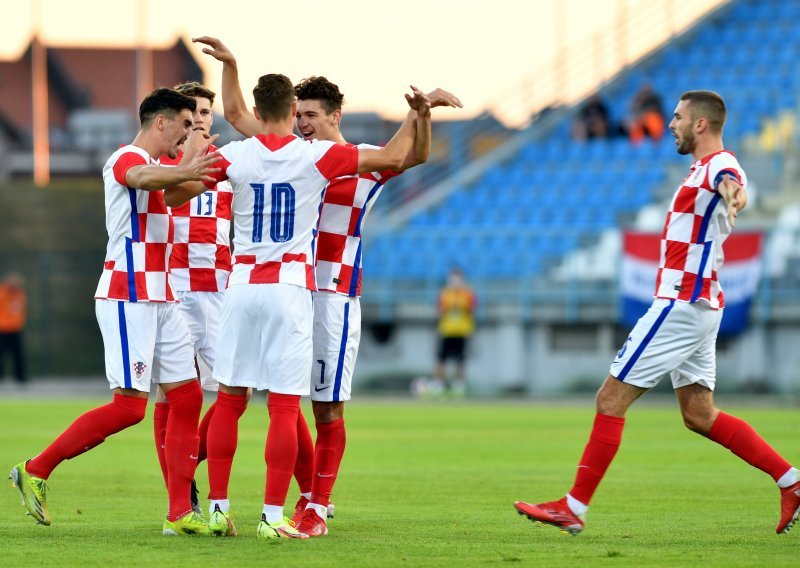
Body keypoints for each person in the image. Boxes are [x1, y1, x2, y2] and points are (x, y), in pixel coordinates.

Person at [193, 35, 462, 538]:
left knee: (323, 405)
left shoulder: (354, 159)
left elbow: (411, 157)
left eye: (313, 115)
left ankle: (315, 502)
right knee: (285, 401)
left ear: (335, 115)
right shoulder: (300, 154)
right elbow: (239, 114)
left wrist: (420, 116)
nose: (303, 123)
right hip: (291, 291)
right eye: (300, 114)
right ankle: (303, 501)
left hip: (331, 294)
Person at [514, 90, 800, 536]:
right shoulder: (700, 170)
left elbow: (732, 183)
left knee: (609, 400)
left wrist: (734, 195)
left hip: (682, 304)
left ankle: (573, 508)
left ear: (700, 125)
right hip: (702, 304)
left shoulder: (719, 167)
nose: (671, 124)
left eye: (678, 117)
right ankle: (792, 482)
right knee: (699, 415)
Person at [9, 88, 221, 536]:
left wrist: (205, 161)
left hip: (160, 297)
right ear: (160, 122)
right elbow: (143, 178)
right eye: (184, 124)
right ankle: (35, 469)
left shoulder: (165, 168)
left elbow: (189, 186)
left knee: (187, 397)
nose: (187, 133)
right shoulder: (124, 158)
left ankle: (180, 513)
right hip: (128, 295)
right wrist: (189, 163)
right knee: (130, 409)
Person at [151, 81, 235, 522]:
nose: (201, 118)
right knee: (174, 400)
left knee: (231, 392)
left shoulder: (224, 164)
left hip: (219, 291)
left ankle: (186, 469)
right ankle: (181, 500)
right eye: (193, 112)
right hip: (175, 290)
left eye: (206, 111)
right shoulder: (162, 164)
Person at [433, 267, 476, 397]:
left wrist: (461, 305)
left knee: (460, 360)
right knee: (441, 359)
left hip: (462, 331)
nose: (456, 281)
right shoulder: (444, 293)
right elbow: (440, 309)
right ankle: (438, 385)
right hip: (446, 330)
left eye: (458, 279)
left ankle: (459, 386)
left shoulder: (468, 293)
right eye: (453, 278)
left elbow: (472, 308)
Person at [0, 273, 27, 384]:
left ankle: (20, 377)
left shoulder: (20, 294)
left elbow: (21, 310)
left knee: (19, 354)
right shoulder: (2, 293)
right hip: (3, 328)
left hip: (16, 328)